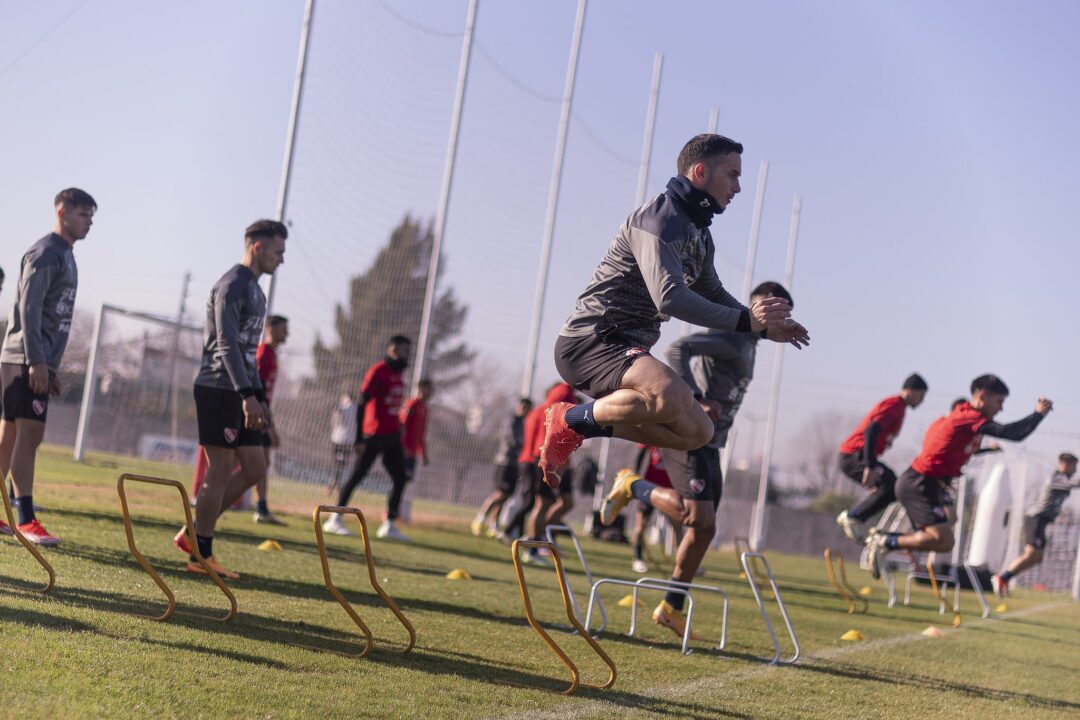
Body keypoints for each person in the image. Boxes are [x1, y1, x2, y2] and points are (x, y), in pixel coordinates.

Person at [538, 134, 809, 488]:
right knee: (669, 396)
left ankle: (581, 425)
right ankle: (569, 419)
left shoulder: (698, 230)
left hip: (625, 348)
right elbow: (671, 297)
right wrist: (747, 320)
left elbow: (712, 291)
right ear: (700, 172)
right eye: (732, 175)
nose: (739, 187)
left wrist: (760, 328)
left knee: (697, 431)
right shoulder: (660, 218)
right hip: (591, 341)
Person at [600, 281, 792, 636]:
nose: (781, 320)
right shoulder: (733, 337)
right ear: (758, 308)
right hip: (691, 434)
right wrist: (696, 396)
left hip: (711, 442)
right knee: (696, 516)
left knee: (704, 529)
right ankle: (632, 484)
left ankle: (672, 607)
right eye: (776, 311)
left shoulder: (749, 343)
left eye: (785, 314)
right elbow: (678, 348)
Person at [173, 219, 286, 580]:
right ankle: (200, 553)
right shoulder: (231, 286)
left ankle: (194, 532)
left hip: (243, 391)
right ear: (258, 247)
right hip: (219, 388)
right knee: (219, 470)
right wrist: (245, 395)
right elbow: (226, 346)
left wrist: (261, 398)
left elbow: (249, 352)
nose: (281, 260)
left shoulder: (257, 291)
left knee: (255, 468)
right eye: (278, 252)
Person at [865, 375, 1053, 578]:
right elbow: (1012, 433)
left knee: (948, 528)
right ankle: (885, 542)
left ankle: (892, 542)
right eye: (999, 402)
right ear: (982, 396)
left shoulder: (970, 421)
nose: (1001, 408)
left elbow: (958, 450)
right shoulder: (968, 416)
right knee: (944, 540)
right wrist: (1038, 414)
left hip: (932, 485)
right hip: (918, 483)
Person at [0, 188, 96, 544]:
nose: (89, 223)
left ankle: (11, 512)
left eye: (91, 217)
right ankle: (25, 518)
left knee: (10, 439)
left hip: (32, 360)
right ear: (62, 211)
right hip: (24, 358)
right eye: (84, 215)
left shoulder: (66, 255)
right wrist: (37, 361)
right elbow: (29, 309)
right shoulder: (45, 252)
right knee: (29, 436)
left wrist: (49, 369)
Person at [323, 335, 412, 541]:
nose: (408, 355)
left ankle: (389, 524)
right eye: (405, 351)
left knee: (400, 477)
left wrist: (399, 427)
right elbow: (363, 404)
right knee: (357, 475)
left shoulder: (399, 374)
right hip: (373, 434)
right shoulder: (378, 372)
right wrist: (360, 438)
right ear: (393, 351)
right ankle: (335, 519)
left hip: (392, 435)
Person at [834, 374, 929, 544]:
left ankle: (856, 517)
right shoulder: (894, 404)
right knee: (893, 486)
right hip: (855, 455)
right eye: (921, 396)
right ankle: (853, 517)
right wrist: (869, 466)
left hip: (862, 456)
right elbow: (871, 431)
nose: (921, 402)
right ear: (910, 390)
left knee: (894, 486)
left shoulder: (900, 408)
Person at [993, 453, 1079, 598]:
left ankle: (1006, 577)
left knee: (1037, 558)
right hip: (1035, 519)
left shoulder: (1065, 478)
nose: (1074, 468)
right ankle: (1002, 577)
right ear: (1063, 464)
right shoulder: (1056, 478)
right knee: (1031, 553)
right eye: (1071, 464)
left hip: (1043, 522)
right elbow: (1074, 484)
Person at [472, 397, 532, 537]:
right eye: (522, 407)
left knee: (507, 495)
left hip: (516, 463)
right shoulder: (511, 421)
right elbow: (512, 439)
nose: (524, 410)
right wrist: (527, 445)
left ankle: (494, 524)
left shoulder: (525, 422)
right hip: (505, 462)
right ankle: (480, 517)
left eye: (527, 408)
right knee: (500, 493)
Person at [252, 315, 289, 525]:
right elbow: (259, 392)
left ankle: (262, 507)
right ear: (271, 329)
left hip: (262, 414)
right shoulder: (264, 353)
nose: (287, 333)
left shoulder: (272, 354)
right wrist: (270, 425)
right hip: (258, 415)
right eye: (284, 329)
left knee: (262, 462)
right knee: (254, 462)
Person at [628, 445, 673, 574]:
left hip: (670, 489)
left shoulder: (678, 436)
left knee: (677, 527)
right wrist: (635, 477)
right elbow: (640, 452)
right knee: (641, 525)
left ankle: (684, 564)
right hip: (649, 488)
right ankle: (638, 558)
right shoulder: (654, 433)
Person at [400, 378, 433, 483]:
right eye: (429, 389)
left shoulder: (424, 409)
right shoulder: (411, 404)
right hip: (403, 450)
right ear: (422, 389)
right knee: (399, 480)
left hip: (412, 452)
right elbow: (401, 425)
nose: (431, 392)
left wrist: (423, 452)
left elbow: (421, 434)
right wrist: (401, 446)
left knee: (405, 481)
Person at [328, 392, 358, 497]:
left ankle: (333, 483)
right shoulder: (357, 409)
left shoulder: (347, 407)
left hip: (339, 440)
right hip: (349, 442)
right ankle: (334, 484)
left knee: (337, 463)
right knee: (340, 464)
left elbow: (336, 408)